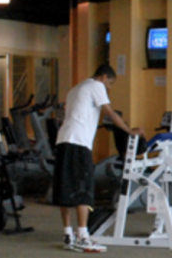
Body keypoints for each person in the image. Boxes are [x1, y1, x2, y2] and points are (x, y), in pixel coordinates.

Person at [54, 64, 142, 253]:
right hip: (78, 143)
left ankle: (68, 235)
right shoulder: (96, 85)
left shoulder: (75, 89)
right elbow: (110, 113)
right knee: (83, 189)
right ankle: (83, 237)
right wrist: (130, 131)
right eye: (110, 83)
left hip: (63, 141)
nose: (109, 87)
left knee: (65, 188)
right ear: (104, 77)